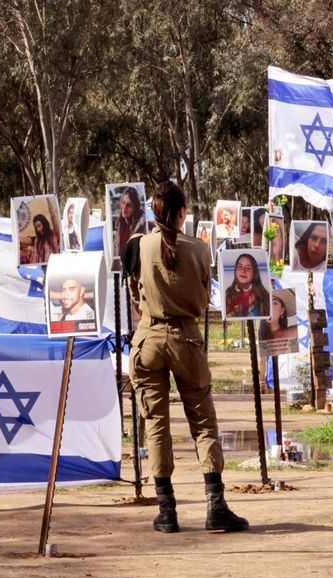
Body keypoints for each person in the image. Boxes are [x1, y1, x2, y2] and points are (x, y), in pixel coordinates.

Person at [124, 179, 247, 533]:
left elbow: (135, 294)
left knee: (157, 425)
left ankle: (167, 510)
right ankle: (215, 505)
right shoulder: (199, 250)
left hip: (148, 338)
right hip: (187, 339)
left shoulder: (137, 246)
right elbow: (204, 295)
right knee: (203, 423)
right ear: (181, 213)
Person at [224, 253, 269, 318]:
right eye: (240, 266)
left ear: (254, 273)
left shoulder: (263, 296)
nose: (243, 270)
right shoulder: (228, 294)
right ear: (235, 270)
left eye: (248, 268)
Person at [115, 186, 144, 261]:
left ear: (135, 208)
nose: (124, 208)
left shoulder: (141, 227)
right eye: (123, 203)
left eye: (128, 205)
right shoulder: (119, 225)